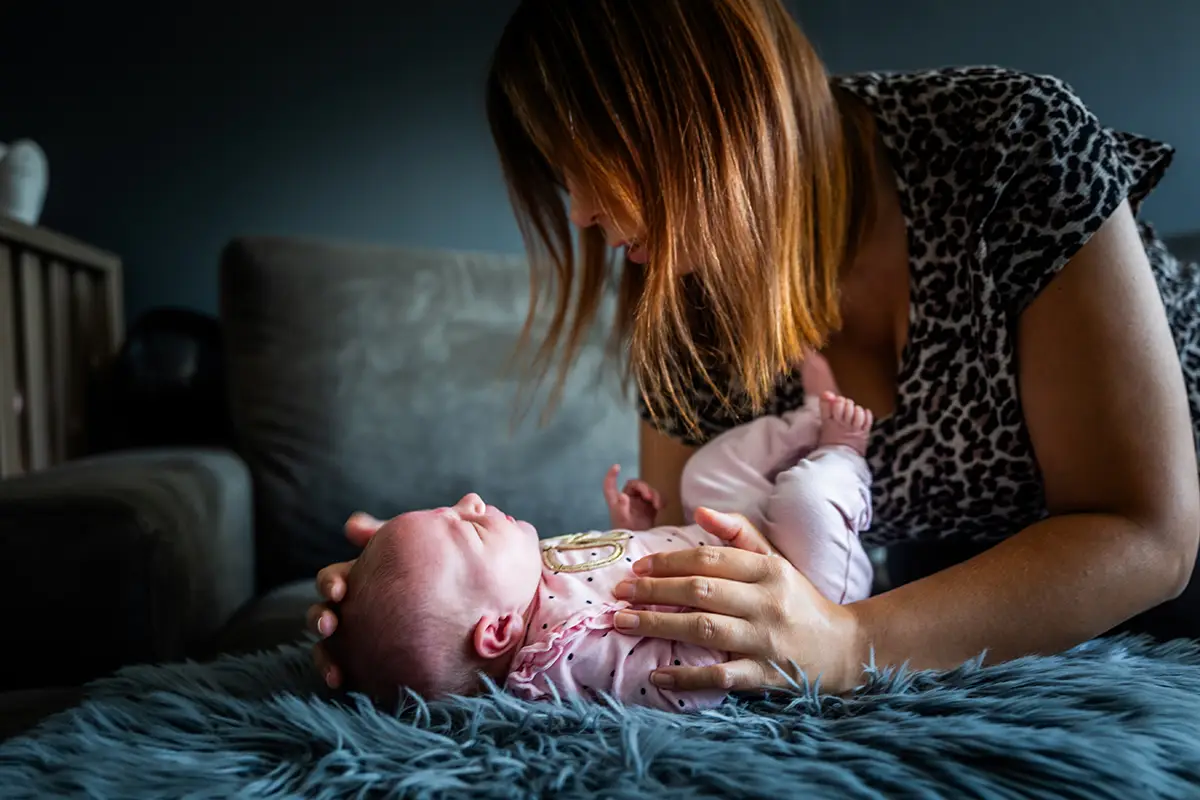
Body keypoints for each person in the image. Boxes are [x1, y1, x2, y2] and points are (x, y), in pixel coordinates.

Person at [308, 0, 1200, 698]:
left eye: (586, 158)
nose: (578, 211)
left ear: (698, 95)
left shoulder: (1009, 144)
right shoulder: (681, 299)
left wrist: (852, 643)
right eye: (559, 175)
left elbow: (1148, 533)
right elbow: (684, 587)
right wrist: (422, 599)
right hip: (971, 605)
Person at [327, 378, 874, 711]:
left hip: (736, 545)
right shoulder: (567, 658)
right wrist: (711, 638)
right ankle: (842, 452)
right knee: (807, 498)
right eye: (468, 527)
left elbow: (603, 574)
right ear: (497, 632)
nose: (472, 499)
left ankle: (809, 419)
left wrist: (633, 529)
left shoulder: (527, 577)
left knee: (703, 476)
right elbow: (676, 685)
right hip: (802, 604)